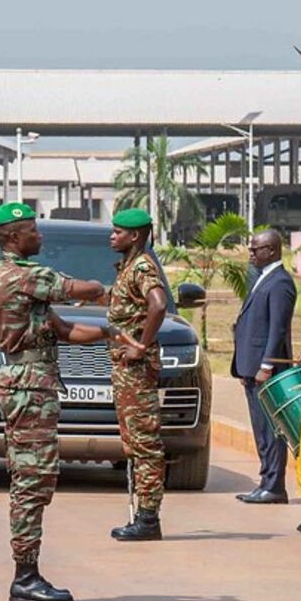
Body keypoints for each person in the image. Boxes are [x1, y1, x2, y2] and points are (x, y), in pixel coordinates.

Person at [0, 202, 112, 601]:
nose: (40, 237)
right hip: (27, 388)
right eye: (33, 231)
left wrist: (111, 333)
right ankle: (25, 575)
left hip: (34, 387)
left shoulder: (27, 285)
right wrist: (108, 290)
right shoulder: (21, 276)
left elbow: (66, 329)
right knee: (30, 480)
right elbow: (81, 289)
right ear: (13, 237)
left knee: (38, 478)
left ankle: (28, 572)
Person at [105, 209, 169, 541]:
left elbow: (158, 303)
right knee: (136, 442)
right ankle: (144, 515)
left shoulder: (142, 265)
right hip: (126, 370)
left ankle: (147, 519)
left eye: (118, 232)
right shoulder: (129, 267)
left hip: (136, 370)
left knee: (145, 443)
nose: (111, 236)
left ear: (135, 236)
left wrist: (141, 346)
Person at [232, 228, 297, 504]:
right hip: (251, 366)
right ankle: (265, 482)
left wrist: (266, 365)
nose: (251, 254)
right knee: (260, 428)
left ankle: (274, 486)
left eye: (255, 249)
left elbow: (278, 329)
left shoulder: (281, 282)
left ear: (271, 250)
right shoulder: (262, 278)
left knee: (271, 430)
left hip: (265, 370)